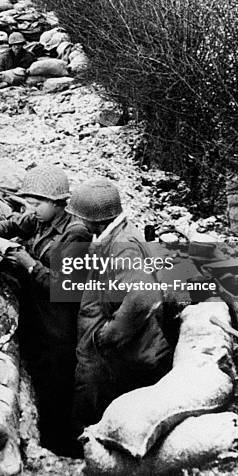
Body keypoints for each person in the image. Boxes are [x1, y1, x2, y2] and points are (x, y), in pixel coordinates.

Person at [0, 165, 92, 456]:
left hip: (59, 324)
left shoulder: (75, 233)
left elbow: (68, 288)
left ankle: (64, 445)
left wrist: (27, 262)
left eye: (38, 203)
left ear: (57, 203)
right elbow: (16, 223)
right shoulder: (40, 219)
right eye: (31, 202)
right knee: (39, 378)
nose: (33, 209)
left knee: (57, 384)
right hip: (36, 315)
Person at [67, 178, 173, 439]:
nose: (77, 222)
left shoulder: (122, 247)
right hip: (121, 349)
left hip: (129, 352)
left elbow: (143, 296)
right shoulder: (113, 237)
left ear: (97, 220)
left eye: (81, 218)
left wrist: (109, 334)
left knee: (104, 404)